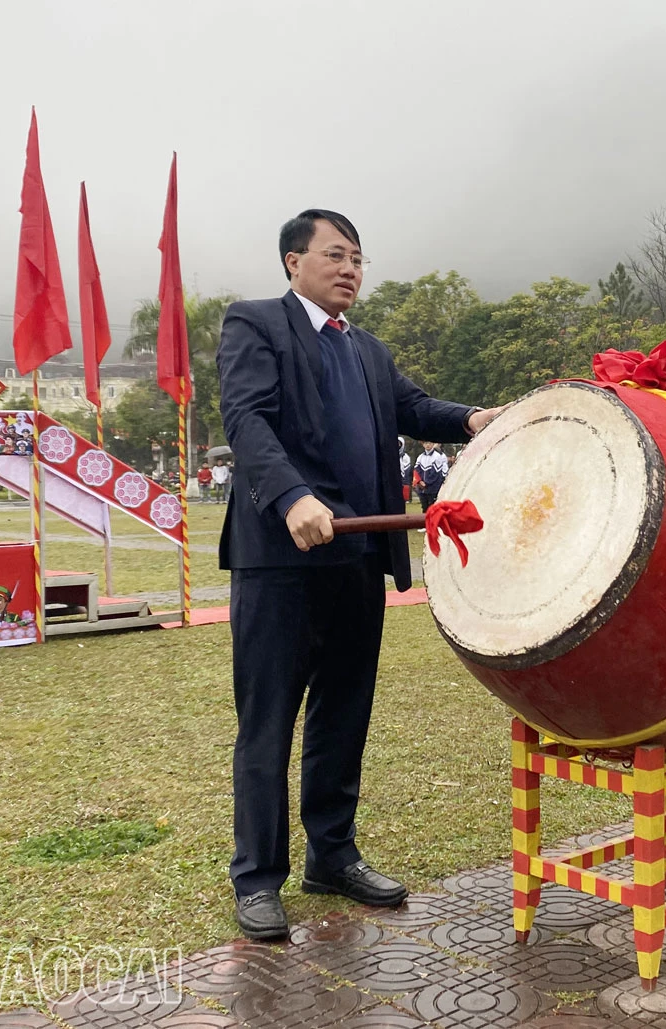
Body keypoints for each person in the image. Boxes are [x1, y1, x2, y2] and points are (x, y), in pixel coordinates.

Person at [216, 207, 502, 940]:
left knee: (343, 714)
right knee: (269, 719)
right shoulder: (256, 325)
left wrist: (474, 418)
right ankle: (257, 876)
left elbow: (411, 406)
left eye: (358, 259)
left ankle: (332, 855)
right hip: (281, 559)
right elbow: (246, 419)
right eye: (335, 254)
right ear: (293, 260)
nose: (350, 269)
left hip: (357, 558)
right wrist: (292, 495)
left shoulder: (366, 349)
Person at [415, 441, 449, 510]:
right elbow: (417, 470)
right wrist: (420, 481)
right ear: (423, 445)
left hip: (433, 488)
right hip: (422, 489)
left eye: (429, 443)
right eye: (426, 443)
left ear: (433, 444)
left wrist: (426, 483)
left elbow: (435, 473)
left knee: (432, 508)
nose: (427, 445)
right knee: (424, 508)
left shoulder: (437, 456)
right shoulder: (420, 457)